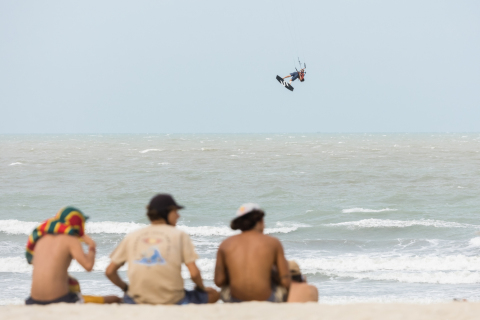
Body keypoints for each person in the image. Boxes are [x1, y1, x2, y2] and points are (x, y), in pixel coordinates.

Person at [105, 194, 219, 305]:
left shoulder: (132, 236)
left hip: (138, 300)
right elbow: (194, 274)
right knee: (214, 294)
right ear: (166, 213)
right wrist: (201, 288)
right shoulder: (179, 235)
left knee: (124, 298)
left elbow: (110, 271)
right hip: (173, 300)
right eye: (175, 211)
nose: (178, 216)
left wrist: (126, 288)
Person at [25, 207, 120, 305]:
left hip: (33, 301)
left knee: (72, 281)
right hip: (59, 300)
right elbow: (88, 266)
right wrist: (92, 246)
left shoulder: (41, 239)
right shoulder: (71, 240)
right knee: (115, 299)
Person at [214, 203, 290, 302]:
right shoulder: (273, 242)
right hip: (267, 300)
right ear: (260, 221)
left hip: (235, 300)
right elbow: (286, 281)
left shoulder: (226, 244)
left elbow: (219, 281)